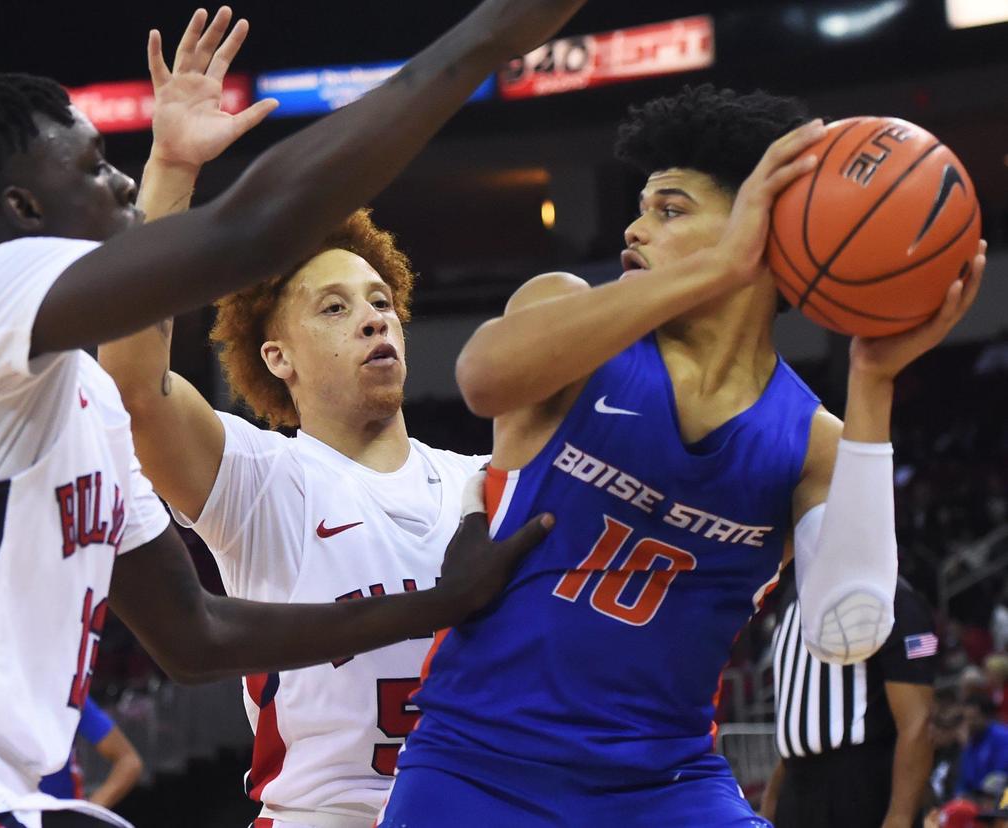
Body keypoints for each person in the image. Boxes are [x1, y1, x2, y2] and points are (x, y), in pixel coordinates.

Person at [0, 2, 586, 826]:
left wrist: (435, 605)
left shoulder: (88, 406)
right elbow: (250, 234)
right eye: (96, 165)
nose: (123, 181)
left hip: (2, 791)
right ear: (26, 210)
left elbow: (196, 635)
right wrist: (486, 37)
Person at [379, 85, 986, 827]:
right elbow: (481, 378)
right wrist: (718, 266)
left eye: (670, 210)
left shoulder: (814, 440)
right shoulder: (570, 315)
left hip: (664, 785)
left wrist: (872, 383)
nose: (635, 228)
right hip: (480, 763)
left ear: (763, 232)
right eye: (642, 207)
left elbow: (846, 628)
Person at [99, 205, 487, 827]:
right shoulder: (264, 479)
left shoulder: (487, 481)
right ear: (279, 358)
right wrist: (170, 166)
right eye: (335, 308)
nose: (371, 320)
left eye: (381, 302)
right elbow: (133, 391)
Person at [760, 574, 938, 828]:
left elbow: (919, 724)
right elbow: (803, 723)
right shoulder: (792, 596)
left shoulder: (895, 597)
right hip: (795, 785)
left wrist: (900, 817)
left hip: (860, 785)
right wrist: (772, 799)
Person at [40, 698, 143, 809]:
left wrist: (90, 812)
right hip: (22, 808)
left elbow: (129, 760)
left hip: (60, 812)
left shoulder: (67, 694)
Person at [958, 695, 1008, 800]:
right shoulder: (970, 741)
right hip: (976, 798)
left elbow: (1000, 774)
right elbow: (965, 780)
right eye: (966, 719)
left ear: (987, 717)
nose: (969, 724)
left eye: (973, 719)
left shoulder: (1002, 737)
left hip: (998, 798)